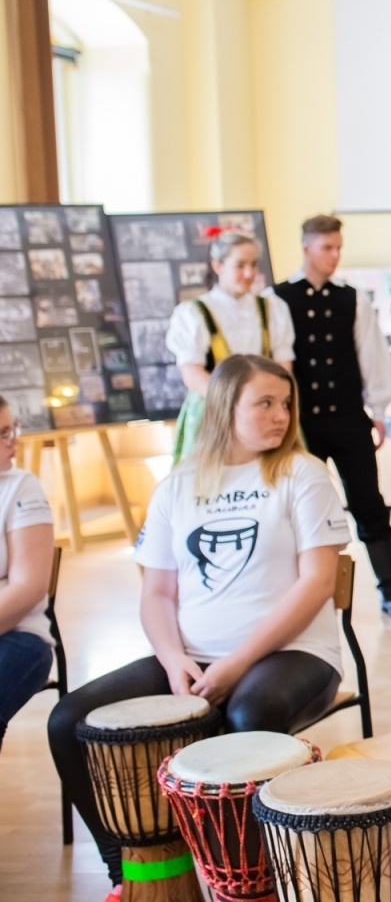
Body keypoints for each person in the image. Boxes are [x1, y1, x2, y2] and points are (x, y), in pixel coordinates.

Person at [48, 355, 349, 894]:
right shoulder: (178, 484)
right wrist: (173, 660)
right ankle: (127, 873)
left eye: (285, 404)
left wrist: (235, 664)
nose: (281, 415)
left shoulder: (303, 473)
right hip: (192, 656)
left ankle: (246, 880)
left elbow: (317, 585)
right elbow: (157, 592)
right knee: (71, 720)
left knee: (248, 710)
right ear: (223, 406)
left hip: (296, 653)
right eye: (264, 403)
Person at [273, 215, 391, 619]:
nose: (334, 256)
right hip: (302, 425)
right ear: (306, 248)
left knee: (369, 502)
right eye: (326, 248)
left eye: (338, 248)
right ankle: (299, 597)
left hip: (349, 420)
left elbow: (372, 358)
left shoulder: (353, 300)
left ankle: (390, 591)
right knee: (298, 509)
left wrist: (379, 411)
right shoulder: (277, 299)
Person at [166, 230, 295, 461]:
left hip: (264, 413)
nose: (249, 273)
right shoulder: (194, 313)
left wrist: (269, 403)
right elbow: (192, 373)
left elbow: (283, 367)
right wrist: (236, 405)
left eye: (254, 265)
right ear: (217, 265)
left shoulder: (272, 309)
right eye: (240, 265)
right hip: (214, 413)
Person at [0, 395, 57, 750]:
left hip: (18, 634)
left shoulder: (20, 486)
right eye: (3, 433)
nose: (14, 441)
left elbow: (29, 586)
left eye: (12, 429)